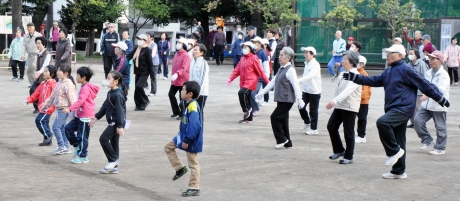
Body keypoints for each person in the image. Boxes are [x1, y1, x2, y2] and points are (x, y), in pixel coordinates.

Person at [343, 44, 449, 179]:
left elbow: (424, 84)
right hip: (393, 108)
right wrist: (355, 78)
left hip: (403, 109)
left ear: (400, 55)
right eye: (386, 53)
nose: (387, 55)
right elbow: (374, 80)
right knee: (400, 139)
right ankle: (399, 171)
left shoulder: (406, 70)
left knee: (382, 123)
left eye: (390, 53)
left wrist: (440, 98)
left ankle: (394, 151)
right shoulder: (389, 70)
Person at [255, 47, 303, 149]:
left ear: (288, 58)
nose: (279, 57)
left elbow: (295, 85)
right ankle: (288, 142)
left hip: (287, 100)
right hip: (282, 99)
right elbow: (273, 82)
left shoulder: (290, 70)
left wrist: (300, 99)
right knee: (283, 120)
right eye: (280, 55)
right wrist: (262, 92)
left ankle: (281, 139)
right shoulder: (281, 68)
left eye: (282, 55)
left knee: (274, 117)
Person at [164, 81, 203, 197]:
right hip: (182, 135)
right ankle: (180, 168)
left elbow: (195, 125)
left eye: (183, 90)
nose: (181, 91)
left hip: (190, 138)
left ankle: (194, 187)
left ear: (190, 94)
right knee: (168, 147)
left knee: (193, 163)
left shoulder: (193, 106)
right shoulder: (187, 103)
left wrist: (187, 140)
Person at [325, 51, 362, 164]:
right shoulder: (343, 73)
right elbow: (339, 89)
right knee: (331, 126)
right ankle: (339, 150)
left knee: (348, 131)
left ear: (351, 62)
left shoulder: (356, 75)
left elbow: (348, 91)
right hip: (340, 105)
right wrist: (335, 100)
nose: (342, 61)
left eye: (345, 59)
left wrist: (334, 101)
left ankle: (349, 156)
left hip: (350, 106)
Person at [91, 70, 127, 174]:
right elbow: (105, 106)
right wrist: (96, 117)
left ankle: (113, 160)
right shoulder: (111, 93)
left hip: (116, 122)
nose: (106, 81)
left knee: (103, 139)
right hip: (115, 122)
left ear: (116, 82)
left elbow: (120, 111)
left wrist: (120, 126)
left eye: (108, 79)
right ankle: (114, 167)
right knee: (114, 143)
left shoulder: (118, 95)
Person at [414, 51, 450, 155]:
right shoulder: (429, 72)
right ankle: (427, 139)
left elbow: (441, 89)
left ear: (439, 61)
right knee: (417, 121)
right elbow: (425, 85)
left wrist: (428, 94)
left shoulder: (444, 75)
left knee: (440, 127)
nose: (430, 61)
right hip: (427, 104)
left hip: (439, 104)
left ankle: (440, 148)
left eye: (433, 59)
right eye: (429, 59)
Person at [64, 67, 100, 164]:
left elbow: (80, 101)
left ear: (83, 77)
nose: (76, 77)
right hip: (80, 115)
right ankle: (77, 146)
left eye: (78, 76)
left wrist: (70, 108)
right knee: (68, 128)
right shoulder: (84, 86)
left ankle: (83, 156)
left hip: (85, 117)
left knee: (82, 137)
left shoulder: (86, 88)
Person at [227, 42, 270, 123]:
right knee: (247, 98)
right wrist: (231, 78)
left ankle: (247, 109)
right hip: (243, 81)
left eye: (246, 47)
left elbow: (261, 71)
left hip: (251, 81)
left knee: (241, 93)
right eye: (243, 47)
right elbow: (237, 70)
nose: (244, 49)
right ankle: (248, 118)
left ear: (250, 48)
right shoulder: (242, 58)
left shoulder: (254, 58)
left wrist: (268, 82)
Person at [42, 65, 77, 155]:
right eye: (58, 70)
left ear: (66, 73)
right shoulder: (60, 82)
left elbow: (72, 99)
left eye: (60, 71)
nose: (57, 72)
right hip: (60, 109)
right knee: (61, 128)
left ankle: (61, 146)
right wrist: (45, 105)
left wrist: (71, 110)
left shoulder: (68, 84)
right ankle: (65, 146)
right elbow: (52, 96)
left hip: (64, 109)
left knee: (55, 127)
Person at [24, 65, 57, 146]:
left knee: (39, 120)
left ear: (52, 74)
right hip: (42, 107)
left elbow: (56, 96)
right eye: (44, 71)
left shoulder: (53, 84)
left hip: (48, 108)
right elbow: (36, 94)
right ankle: (47, 141)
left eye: (46, 71)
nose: (44, 73)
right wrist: (28, 100)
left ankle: (48, 134)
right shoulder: (42, 84)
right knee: (44, 123)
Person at [297, 46, 321, 135]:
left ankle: (314, 129)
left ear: (312, 54)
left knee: (313, 110)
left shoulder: (316, 64)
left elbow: (310, 76)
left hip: (315, 91)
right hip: (306, 90)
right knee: (301, 106)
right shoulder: (306, 63)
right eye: (305, 53)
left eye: (307, 53)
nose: (305, 54)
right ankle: (307, 122)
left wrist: (298, 80)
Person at [126, 34, 153, 111]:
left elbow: (150, 63)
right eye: (138, 39)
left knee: (139, 86)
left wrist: (151, 75)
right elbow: (129, 56)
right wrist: (123, 60)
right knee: (137, 89)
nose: (139, 41)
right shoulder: (136, 49)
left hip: (145, 72)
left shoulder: (147, 50)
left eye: (141, 39)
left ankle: (145, 100)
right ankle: (138, 104)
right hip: (137, 71)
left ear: (145, 41)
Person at [406, 48, 430, 128]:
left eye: (411, 53)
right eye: (409, 53)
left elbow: (425, 77)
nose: (410, 55)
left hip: (419, 91)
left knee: (417, 108)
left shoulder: (422, 64)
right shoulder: (408, 64)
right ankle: (413, 122)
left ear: (416, 55)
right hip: (410, 90)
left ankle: (419, 124)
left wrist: (425, 90)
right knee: (410, 107)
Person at [169, 38, 191, 119]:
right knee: (171, 94)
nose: (177, 44)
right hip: (175, 80)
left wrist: (177, 74)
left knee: (182, 97)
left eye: (179, 43)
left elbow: (184, 68)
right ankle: (176, 111)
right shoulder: (176, 54)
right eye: (177, 42)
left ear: (183, 45)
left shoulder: (186, 55)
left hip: (182, 79)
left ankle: (182, 114)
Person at [30, 37, 51, 114]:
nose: (37, 45)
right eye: (37, 43)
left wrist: (40, 72)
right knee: (32, 90)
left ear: (44, 45)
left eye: (39, 43)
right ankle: (37, 108)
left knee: (44, 94)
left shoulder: (47, 55)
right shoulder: (37, 54)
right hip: (38, 78)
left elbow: (45, 65)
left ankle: (44, 108)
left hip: (45, 77)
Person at [250, 37, 270, 115]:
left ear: (260, 44)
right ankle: (252, 108)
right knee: (251, 93)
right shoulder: (254, 52)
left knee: (253, 93)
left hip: (260, 77)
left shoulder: (263, 53)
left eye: (256, 42)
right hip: (253, 77)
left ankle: (257, 109)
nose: (254, 44)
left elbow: (266, 66)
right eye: (254, 42)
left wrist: (266, 77)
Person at [189, 44, 209, 116]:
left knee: (199, 112)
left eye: (196, 50)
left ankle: (200, 127)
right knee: (193, 112)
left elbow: (203, 79)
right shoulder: (192, 62)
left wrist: (198, 92)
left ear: (202, 52)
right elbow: (190, 78)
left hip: (201, 93)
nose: (193, 51)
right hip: (193, 92)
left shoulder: (203, 63)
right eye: (193, 50)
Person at [355, 56, 371, 143]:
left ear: (363, 64)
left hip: (363, 101)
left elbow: (365, 90)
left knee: (362, 118)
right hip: (356, 99)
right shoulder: (355, 72)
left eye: (360, 63)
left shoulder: (364, 74)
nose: (358, 64)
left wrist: (358, 98)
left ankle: (361, 135)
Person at [145, 31, 160, 96]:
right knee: (144, 75)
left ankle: (153, 92)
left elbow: (153, 55)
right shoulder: (145, 44)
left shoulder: (154, 45)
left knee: (153, 77)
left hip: (154, 63)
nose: (146, 37)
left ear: (151, 38)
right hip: (146, 63)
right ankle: (146, 86)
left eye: (147, 36)